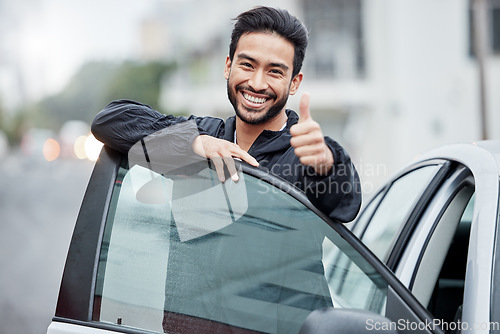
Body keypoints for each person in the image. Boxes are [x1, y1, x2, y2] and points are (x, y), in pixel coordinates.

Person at [91, 6, 361, 223]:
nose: (256, 83)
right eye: (247, 65)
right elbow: (109, 121)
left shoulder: (305, 153)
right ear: (228, 67)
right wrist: (193, 143)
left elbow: (344, 205)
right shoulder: (202, 135)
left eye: (274, 71)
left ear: (294, 83)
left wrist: (326, 165)